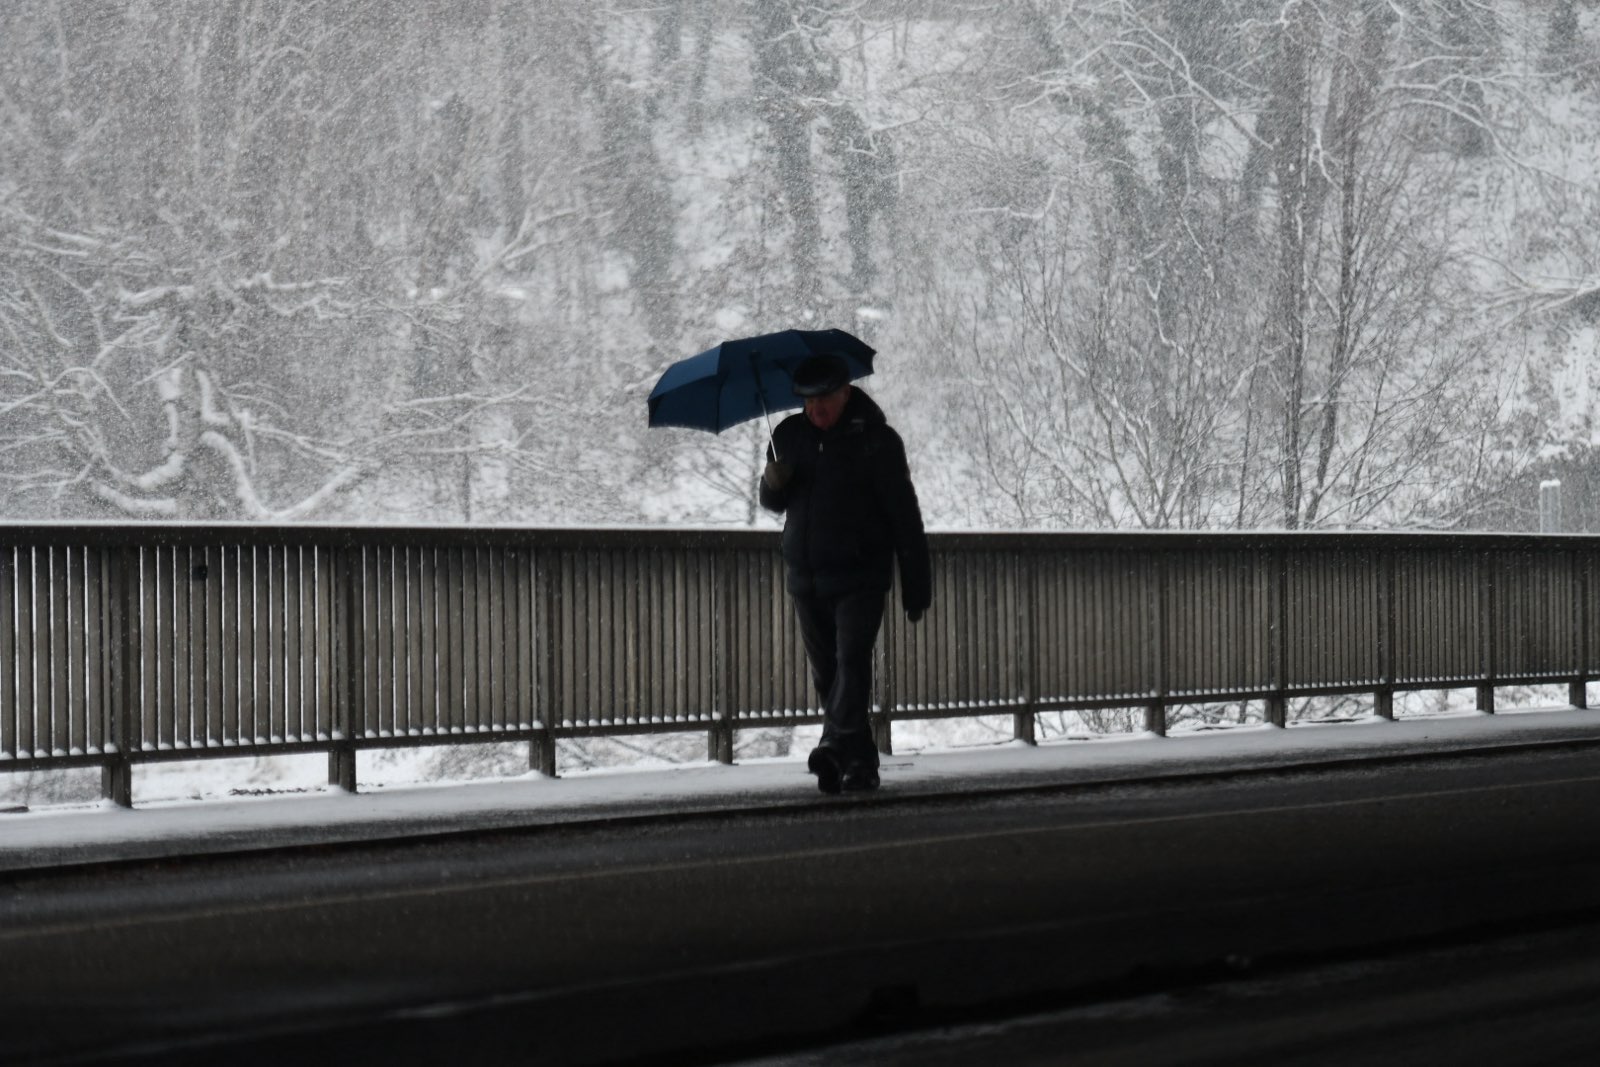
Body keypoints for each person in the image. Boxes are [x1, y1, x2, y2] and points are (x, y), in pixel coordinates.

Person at [759, 354, 932, 794]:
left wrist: (917, 581)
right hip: (807, 579)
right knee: (830, 676)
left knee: (852, 664)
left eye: (825, 400)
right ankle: (859, 764)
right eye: (808, 402)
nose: (816, 410)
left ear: (846, 392)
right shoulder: (787, 437)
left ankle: (833, 745)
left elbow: (903, 515)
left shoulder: (877, 441)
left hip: (861, 576)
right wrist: (771, 483)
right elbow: (775, 505)